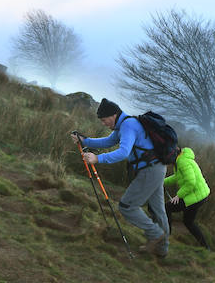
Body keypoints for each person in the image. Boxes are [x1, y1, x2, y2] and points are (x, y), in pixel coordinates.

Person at [72, 98, 169, 257]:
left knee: (127, 206)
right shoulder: (124, 125)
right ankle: (162, 249)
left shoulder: (128, 125)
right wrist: (85, 141)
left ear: (113, 115)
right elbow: (108, 142)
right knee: (158, 211)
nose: (103, 123)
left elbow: (123, 152)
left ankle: (156, 234)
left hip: (149, 170)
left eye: (104, 120)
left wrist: (98, 159)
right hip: (157, 167)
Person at [163, 146, 211, 250]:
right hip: (200, 195)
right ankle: (206, 248)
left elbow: (190, 182)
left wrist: (178, 195)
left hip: (195, 196)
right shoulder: (182, 159)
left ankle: (167, 237)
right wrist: (162, 182)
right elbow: (177, 177)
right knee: (188, 222)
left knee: (167, 207)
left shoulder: (182, 162)